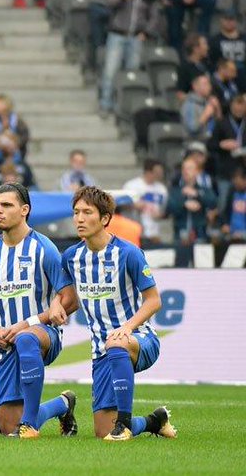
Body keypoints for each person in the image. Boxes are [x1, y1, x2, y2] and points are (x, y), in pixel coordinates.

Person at [60, 186, 178, 440]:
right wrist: (57, 308)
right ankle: (153, 421)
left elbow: (153, 300)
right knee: (102, 431)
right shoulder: (71, 257)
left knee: (116, 343)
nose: (79, 218)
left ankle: (123, 424)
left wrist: (127, 327)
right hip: (101, 349)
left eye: (87, 212)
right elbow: (68, 300)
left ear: (104, 219)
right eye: (76, 212)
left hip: (139, 339)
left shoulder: (128, 253)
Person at [0, 184, 79, 439]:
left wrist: (27, 323)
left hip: (43, 336)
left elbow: (70, 299)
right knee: (8, 428)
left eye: (6, 205)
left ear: (24, 210)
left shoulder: (44, 248)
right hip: (5, 343)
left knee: (27, 338)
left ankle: (29, 424)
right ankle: (63, 404)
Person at [122, 159, 168, 245]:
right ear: (148, 172)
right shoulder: (131, 186)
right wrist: (134, 205)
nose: (160, 174)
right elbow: (121, 206)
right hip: (136, 232)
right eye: (157, 172)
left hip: (154, 233)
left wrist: (160, 215)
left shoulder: (162, 189)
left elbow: (164, 210)